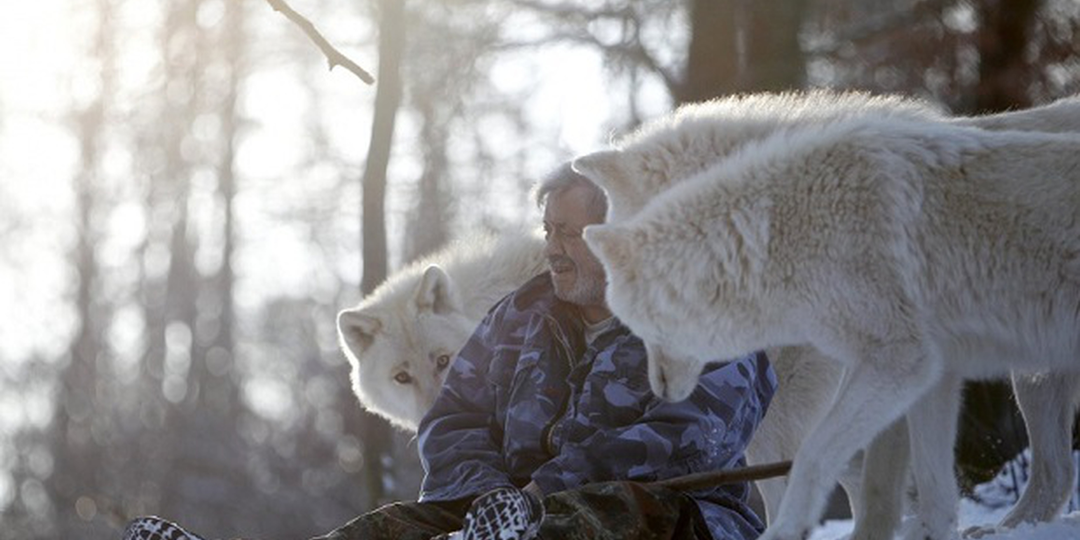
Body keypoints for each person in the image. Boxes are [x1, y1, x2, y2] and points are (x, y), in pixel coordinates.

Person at [121, 163, 776, 540]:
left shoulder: (703, 314)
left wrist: (538, 493)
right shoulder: (521, 316)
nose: (552, 249)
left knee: (590, 517)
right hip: (510, 514)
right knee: (395, 525)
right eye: (548, 230)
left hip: (680, 518)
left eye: (571, 234)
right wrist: (487, 500)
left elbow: (691, 438)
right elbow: (455, 418)